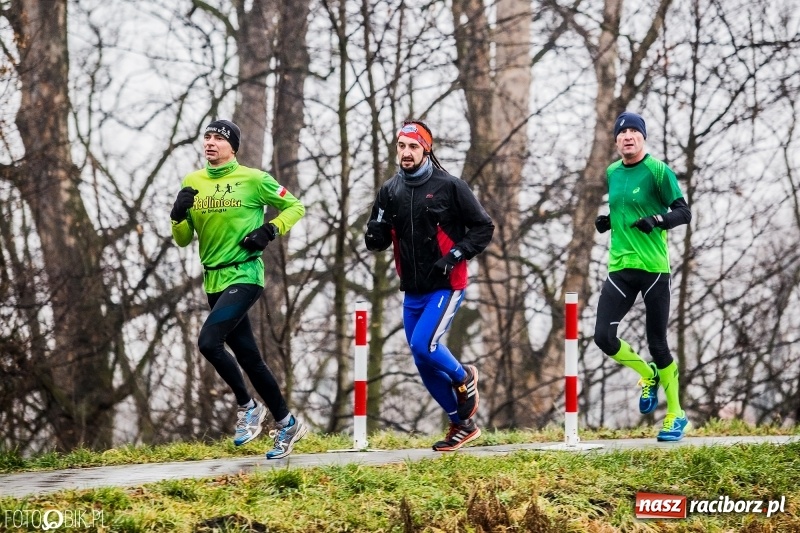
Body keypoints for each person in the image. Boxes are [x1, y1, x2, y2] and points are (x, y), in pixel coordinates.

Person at [170, 119, 308, 459]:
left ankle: (248, 407)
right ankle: (287, 423)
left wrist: (269, 230)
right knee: (249, 357)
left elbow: (296, 207)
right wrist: (177, 216)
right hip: (213, 280)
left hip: (245, 275)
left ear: (233, 147)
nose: (210, 142)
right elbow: (183, 240)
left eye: (218, 138)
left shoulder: (254, 179)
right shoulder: (193, 182)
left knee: (208, 342)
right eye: (207, 137)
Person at [365, 120, 494, 451]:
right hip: (413, 289)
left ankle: (464, 377)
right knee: (422, 360)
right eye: (401, 146)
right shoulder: (390, 190)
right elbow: (378, 234)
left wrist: (455, 255)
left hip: (446, 284)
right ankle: (462, 425)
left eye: (413, 146)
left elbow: (483, 227)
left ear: (426, 149)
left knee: (425, 345)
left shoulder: (450, 186)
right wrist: (374, 236)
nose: (406, 153)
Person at [593, 111, 692, 442]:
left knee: (658, 343)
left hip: (653, 270)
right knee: (603, 337)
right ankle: (646, 374)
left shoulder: (658, 171)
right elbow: (625, 208)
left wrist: (658, 220)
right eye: (622, 133)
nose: (628, 136)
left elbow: (683, 212)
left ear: (643, 137)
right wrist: (608, 221)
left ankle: (676, 414)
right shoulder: (612, 172)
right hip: (620, 267)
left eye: (634, 131)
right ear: (616, 141)